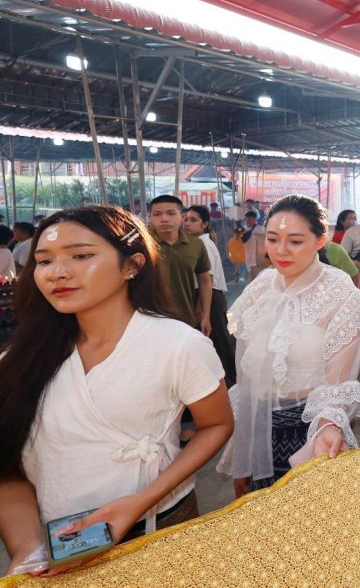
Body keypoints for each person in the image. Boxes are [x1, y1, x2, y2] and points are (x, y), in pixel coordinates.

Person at [0, 207, 232, 573]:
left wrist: (141, 501)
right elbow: (8, 466)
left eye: (81, 256)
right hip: (58, 546)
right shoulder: (18, 359)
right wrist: (28, 548)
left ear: (132, 265)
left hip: (159, 529)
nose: (57, 272)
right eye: (44, 261)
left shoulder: (179, 345)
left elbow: (217, 424)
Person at [221, 195, 360, 496]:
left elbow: (338, 385)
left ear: (320, 240)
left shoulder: (340, 293)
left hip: (311, 427)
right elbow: (247, 375)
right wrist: (243, 448)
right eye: (273, 239)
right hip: (260, 426)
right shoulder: (260, 286)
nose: (280, 251)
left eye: (295, 241)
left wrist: (328, 426)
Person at [183, 206, 237, 386]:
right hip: (205, 296)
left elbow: (208, 279)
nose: (187, 223)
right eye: (186, 219)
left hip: (209, 296)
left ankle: (229, 383)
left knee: (217, 342)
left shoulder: (204, 244)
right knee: (214, 341)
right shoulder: (196, 243)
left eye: (193, 220)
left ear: (204, 224)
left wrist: (202, 310)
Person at [148, 195, 211, 334]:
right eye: (157, 214)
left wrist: (205, 315)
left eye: (171, 213)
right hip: (149, 320)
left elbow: (205, 281)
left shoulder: (196, 245)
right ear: (150, 217)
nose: (164, 219)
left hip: (186, 318)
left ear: (182, 217)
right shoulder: (141, 244)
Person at [241, 209, 267, 282]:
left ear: (255, 219)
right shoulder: (243, 229)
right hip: (244, 256)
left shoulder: (260, 230)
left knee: (253, 278)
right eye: (247, 218)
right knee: (247, 277)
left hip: (255, 257)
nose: (249, 220)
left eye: (251, 218)